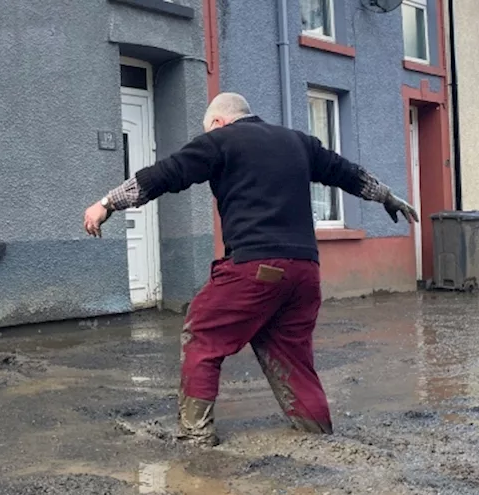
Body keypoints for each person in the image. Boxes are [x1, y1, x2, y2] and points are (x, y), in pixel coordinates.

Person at [83, 93, 418, 447]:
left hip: (257, 267)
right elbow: (348, 173)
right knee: (291, 355)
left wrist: (107, 203)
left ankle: (195, 440)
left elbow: (166, 174)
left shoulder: (221, 140)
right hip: (304, 272)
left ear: (218, 122)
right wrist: (387, 196)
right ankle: (319, 437)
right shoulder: (299, 142)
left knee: (202, 335)